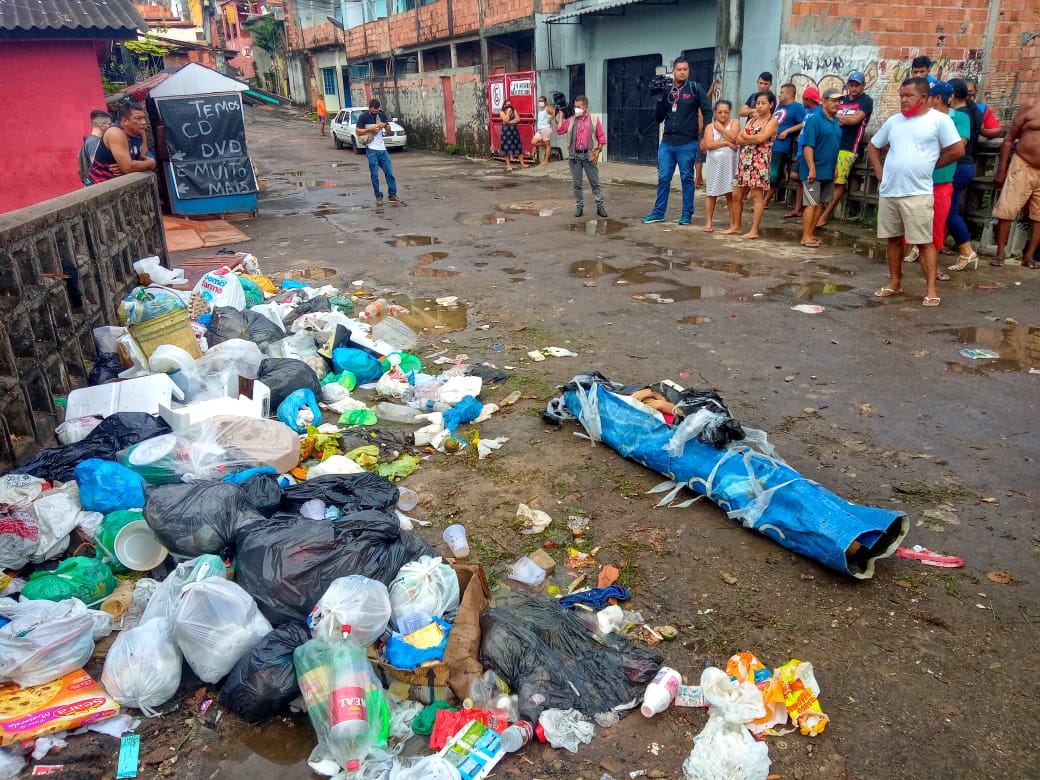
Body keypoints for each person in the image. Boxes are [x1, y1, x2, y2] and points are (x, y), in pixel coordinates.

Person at [867, 77, 963, 307]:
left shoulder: (939, 120)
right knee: (893, 240)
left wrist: (933, 165)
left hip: (918, 191)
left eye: (908, 96)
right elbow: (873, 146)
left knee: (924, 242)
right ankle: (895, 282)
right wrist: (880, 173)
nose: (903, 100)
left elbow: (957, 149)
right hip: (891, 191)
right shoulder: (894, 121)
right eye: (901, 95)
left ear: (924, 97)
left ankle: (930, 289)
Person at [641, 57, 709, 226]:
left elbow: (707, 111)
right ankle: (658, 213)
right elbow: (658, 118)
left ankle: (687, 214)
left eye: (685, 69)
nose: (682, 72)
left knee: (687, 178)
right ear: (673, 71)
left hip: (687, 143)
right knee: (663, 178)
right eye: (679, 69)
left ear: (688, 71)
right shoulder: (666, 91)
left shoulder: (694, 89)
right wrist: (658, 101)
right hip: (667, 143)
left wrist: (708, 135)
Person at [816, 70, 873, 228]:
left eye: (857, 85)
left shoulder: (866, 101)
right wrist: (840, 119)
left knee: (839, 181)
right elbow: (829, 114)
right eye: (851, 84)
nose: (853, 88)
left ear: (863, 85)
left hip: (849, 146)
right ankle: (819, 212)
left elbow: (854, 120)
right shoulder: (843, 99)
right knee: (827, 178)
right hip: (834, 143)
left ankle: (825, 215)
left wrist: (837, 118)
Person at [991, 97, 1040, 268]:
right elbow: (1009, 139)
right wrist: (1002, 170)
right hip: (1023, 164)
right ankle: (1000, 253)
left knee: (1039, 216)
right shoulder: (1031, 106)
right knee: (1007, 210)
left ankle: (1029, 256)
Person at [726, 90, 778, 239]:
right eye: (758, 103)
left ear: (771, 104)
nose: (760, 106)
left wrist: (748, 137)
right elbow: (738, 139)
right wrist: (752, 138)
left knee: (756, 196)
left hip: (759, 161)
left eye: (763, 103)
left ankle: (754, 230)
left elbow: (761, 138)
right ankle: (736, 226)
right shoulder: (752, 119)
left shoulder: (772, 121)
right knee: (736, 194)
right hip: (745, 160)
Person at [945, 78, 983, 271]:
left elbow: (959, 145)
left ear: (952, 96)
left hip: (957, 166)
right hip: (965, 165)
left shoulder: (960, 115)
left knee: (949, 212)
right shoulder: (972, 111)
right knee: (946, 210)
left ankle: (967, 251)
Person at [798, 88, 842, 248]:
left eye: (838, 100)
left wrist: (835, 167)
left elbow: (834, 146)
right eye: (833, 100)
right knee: (811, 202)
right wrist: (811, 168)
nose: (836, 103)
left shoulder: (836, 121)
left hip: (828, 169)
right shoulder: (815, 120)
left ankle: (810, 234)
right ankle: (805, 236)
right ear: (824, 101)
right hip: (814, 169)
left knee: (820, 203)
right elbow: (808, 146)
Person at [555, 95, 607, 218]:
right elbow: (560, 130)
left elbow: (602, 137)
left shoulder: (594, 119)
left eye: (579, 107)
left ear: (585, 107)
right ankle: (579, 207)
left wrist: (598, 151)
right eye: (575, 106)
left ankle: (600, 207)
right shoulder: (571, 120)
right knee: (577, 184)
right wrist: (561, 115)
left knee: (595, 183)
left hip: (589, 156)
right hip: (575, 156)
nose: (576, 109)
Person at [87, 101, 156, 184]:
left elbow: (143, 157)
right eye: (138, 118)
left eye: (143, 118)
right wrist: (150, 163)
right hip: (99, 185)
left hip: (121, 182)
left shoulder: (141, 132)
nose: (143, 122)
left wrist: (145, 163)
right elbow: (128, 167)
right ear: (125, 121)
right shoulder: (115, 133)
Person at [701, 99, 739, 233]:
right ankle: (708, 222)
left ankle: (733, 223)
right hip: (715, 164)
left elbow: (734, 137)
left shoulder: (734, 122)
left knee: (731, 194)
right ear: (715, 113)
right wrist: (727, 143)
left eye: (726, 112)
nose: (723, 115)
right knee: (712, 193)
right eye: (720, 112)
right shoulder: (709, 127)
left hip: (730, 164)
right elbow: (709, 145)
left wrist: (721, 129)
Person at [766, 83, 806, 208]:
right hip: (770, 143)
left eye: (782, 92)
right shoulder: (779, 106)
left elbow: (803, 123)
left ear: (789, 93)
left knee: (774, 173)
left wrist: (788, 131)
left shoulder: (797, 107)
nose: (779, 94)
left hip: (781, 145)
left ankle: (765, 200)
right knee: (766, 172)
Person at [785, 86, 822, 219]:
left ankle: (808, 209)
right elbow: (802, 124)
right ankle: (798, 208)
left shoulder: (819, 112)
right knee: (799, 179)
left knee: (798, 177)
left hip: (809, 150)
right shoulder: (807, 111)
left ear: (807, 99)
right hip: (801, 151)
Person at [356, 99, 399, 207]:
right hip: (371, 149)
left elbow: (389, 130)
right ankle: (378, 196)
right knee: (374, 175)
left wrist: (384, 125)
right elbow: (358, 131)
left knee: (389, 172)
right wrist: (371, 128)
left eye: (377, 110)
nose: (375, 111)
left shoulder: (381, 115)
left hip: (382, 149)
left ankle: (392, 194)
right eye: (374, 110)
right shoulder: (364, 117)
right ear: (370, 107)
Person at [78, 110, 111, 186]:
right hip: (97, 183)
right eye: (109, 124)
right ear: (102, 126)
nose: (111, 126)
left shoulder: (93, 139)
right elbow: (97, 165)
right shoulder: (93, 142)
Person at [498, 100, 526, 172]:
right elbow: (505, 120)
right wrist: (507, 113)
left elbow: (518, 119)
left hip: (514, 131)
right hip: (506, 132)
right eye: (507, 105)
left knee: (518, 147)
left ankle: (522, 164)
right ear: (504, 105)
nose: (508, 106)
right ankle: (509, 166)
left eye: (510, 104)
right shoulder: (502, 112)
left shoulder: (514, 111)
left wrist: (509, 122)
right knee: (506, 148)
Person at [532, 96, 553, 166]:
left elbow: (555, 112)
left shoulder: (547, 108)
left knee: (547, 144)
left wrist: (550, 120)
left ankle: (546, 160)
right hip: (540, 129)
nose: (540, 102)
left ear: (545, 102)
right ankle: (547, 145)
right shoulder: (540, 109)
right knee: (533, 142)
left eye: (542, 101)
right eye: (539, 101)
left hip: (546, 128)